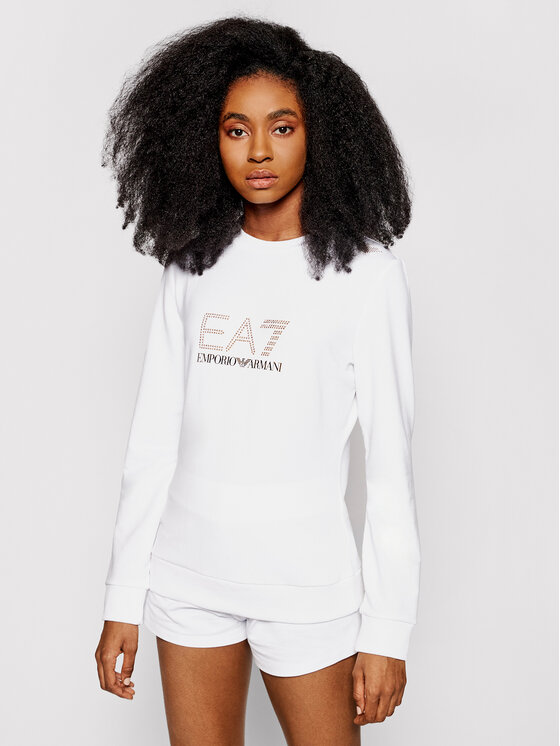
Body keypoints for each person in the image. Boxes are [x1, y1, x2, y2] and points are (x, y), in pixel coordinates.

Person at [94, 15, 421, 745]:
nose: (260, 151)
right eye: (236, 130)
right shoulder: (192, 263)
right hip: (186, 581)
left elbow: (391, 467)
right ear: (205, 140)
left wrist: (388, 628)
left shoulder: (367, 277)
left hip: (306, 588)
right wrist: (124, 594)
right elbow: (153, 441)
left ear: (319, 135)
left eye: (282, 127)